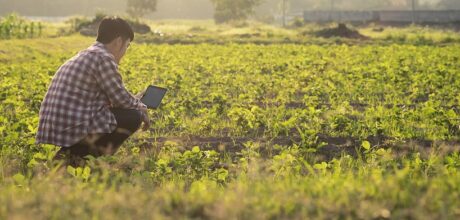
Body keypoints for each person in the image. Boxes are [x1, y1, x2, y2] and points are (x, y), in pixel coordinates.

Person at [35, 17, 150, 166]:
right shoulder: (103, 58)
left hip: (57, 125)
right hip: (71, 126)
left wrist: (135, 101)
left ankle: (69, 155)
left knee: (128, 111)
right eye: (127, 46)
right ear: (118, 42)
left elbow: (116, 98)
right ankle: (87, 160)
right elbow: (121, 100)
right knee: (133, 116)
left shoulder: (86, 54)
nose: (125, 52)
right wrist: (142, 108)